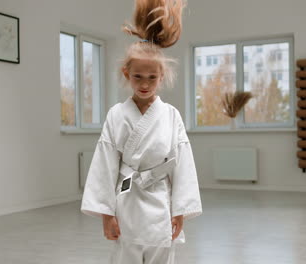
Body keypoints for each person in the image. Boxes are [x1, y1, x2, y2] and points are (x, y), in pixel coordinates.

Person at [81, 0, 202, 263]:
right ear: (127, 73)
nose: (144, 84)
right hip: (127, 198)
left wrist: (180, 210)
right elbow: (105, 164)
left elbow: (183, 164)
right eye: (138, 77)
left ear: (162, 76)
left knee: (161, 253)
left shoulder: (171, 116)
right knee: (126, 252)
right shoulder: (116, 115)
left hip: (160, 200)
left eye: (151, 78)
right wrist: (106, 214)